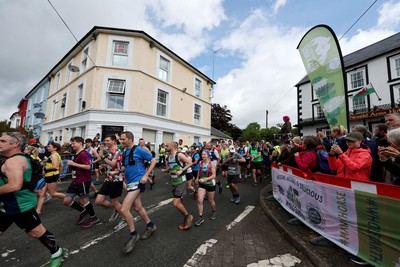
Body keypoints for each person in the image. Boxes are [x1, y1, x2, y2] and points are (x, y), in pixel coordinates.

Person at [0, 132, 65, 266]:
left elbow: (15, 185)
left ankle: (57, 252)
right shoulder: (21, 157)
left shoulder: (14, 161)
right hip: (7, 204)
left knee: (36, 232)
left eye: (2, 141)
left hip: (19, 205)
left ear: (15, 144)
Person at [118, 131, 157, 254]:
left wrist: (146, 175)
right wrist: (117, 172)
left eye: (123, 139)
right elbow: (128, 167)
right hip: (130, 183)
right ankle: (150, 225)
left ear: (130, 139)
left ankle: (134, 235)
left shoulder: (139, 150)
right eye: (121, 139)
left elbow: (154, 161)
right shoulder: (125, 152)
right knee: (138, 207)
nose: (121, 141)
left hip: (138, 182)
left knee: (124, 210)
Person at [64, 136, 99, 228]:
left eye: (74, 143)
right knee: (66, 200)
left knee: (84, 200)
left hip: (83, 180)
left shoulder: (83, 154)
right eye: (72, 143)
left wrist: (73, 164)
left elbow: (88, 167)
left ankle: (94, 217)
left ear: (80, 143)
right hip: (76, 180)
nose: (72, 145)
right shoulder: (77, 153)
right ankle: (84, 212)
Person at [162, 140, 194, 230]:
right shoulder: (169, 156)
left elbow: (190, 163)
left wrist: (182, 170)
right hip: (174, 182)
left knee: (176, 203)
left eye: (167, 145)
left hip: (181, 181)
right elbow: (171, 166)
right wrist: (166, 170)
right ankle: (186, 216)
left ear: (172, 146)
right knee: (178, 202)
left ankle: (188, 216)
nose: (165, 147)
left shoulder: (179, 155)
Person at [95, 135, 124, 223]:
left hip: (116, 180)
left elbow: (113, 164)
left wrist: (103, 157)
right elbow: (109, 165)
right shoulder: (108, 151)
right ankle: (115, 209)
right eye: (105, 140)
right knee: (98, 201)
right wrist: (103, 165)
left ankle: (124, 218)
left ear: (114, 141)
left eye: (108, 141)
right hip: (108, 179)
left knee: (115, 201)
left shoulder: (117, 151)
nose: (106, 142)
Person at [194, 150, 217, 226]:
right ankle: (200, 217)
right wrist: (197, 178)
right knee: (200, 200)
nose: (203, 156)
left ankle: (214, 211)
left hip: (210, 183)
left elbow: (214, 175)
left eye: (204, 154)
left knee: (211, 200)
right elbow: (199, 170)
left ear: (208, 155)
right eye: (202, 154)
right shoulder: (200, 162)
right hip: (202, 183)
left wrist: (206, 179)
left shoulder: (212, 164)